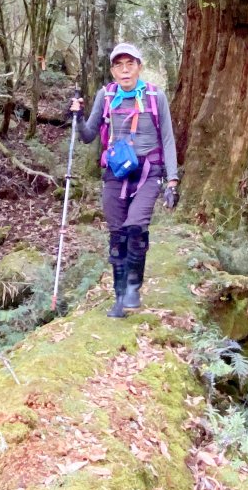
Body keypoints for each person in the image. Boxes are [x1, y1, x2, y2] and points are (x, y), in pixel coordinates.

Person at [70, 43, 180, 318]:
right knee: (117, 235)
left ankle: (133, 287)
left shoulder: (156, 96)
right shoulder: (106, 96)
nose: (125, 70)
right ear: (112, 71)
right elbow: (87, 135)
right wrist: (78, 116)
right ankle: (120, 297)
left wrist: (172, 180)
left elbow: (167, 138)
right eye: (119, 65)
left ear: (139, 66)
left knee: (135, 228)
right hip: (116, 174)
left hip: (148, 172)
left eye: (130, 63)